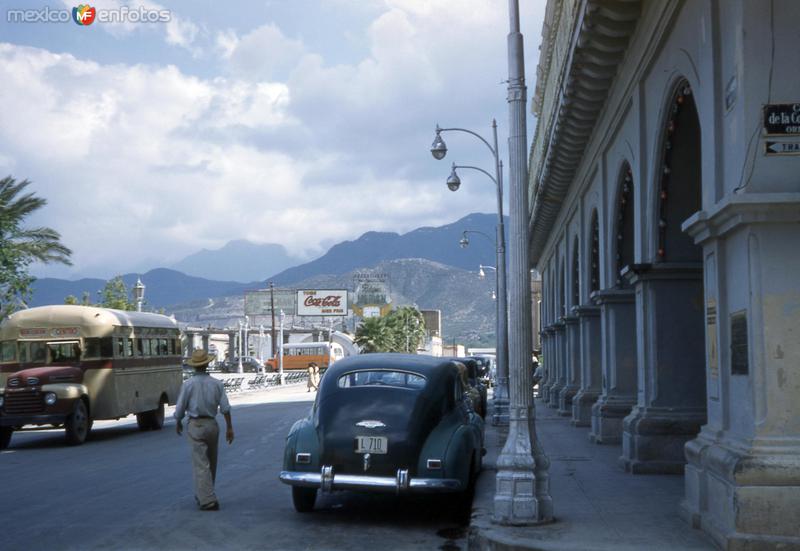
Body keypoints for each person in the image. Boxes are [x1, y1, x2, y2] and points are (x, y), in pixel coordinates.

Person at [175, 349, 234, 511]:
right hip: (212, 425)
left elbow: (180, 409)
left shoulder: (188, 385)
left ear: (194, 367)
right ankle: (205, 493)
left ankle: (207, 499)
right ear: (207, 364)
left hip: (196, 425)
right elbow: (226, 408)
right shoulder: (217, 383)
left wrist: (178, 421)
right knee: (211, 461)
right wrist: (229, 427)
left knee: (201, 463)